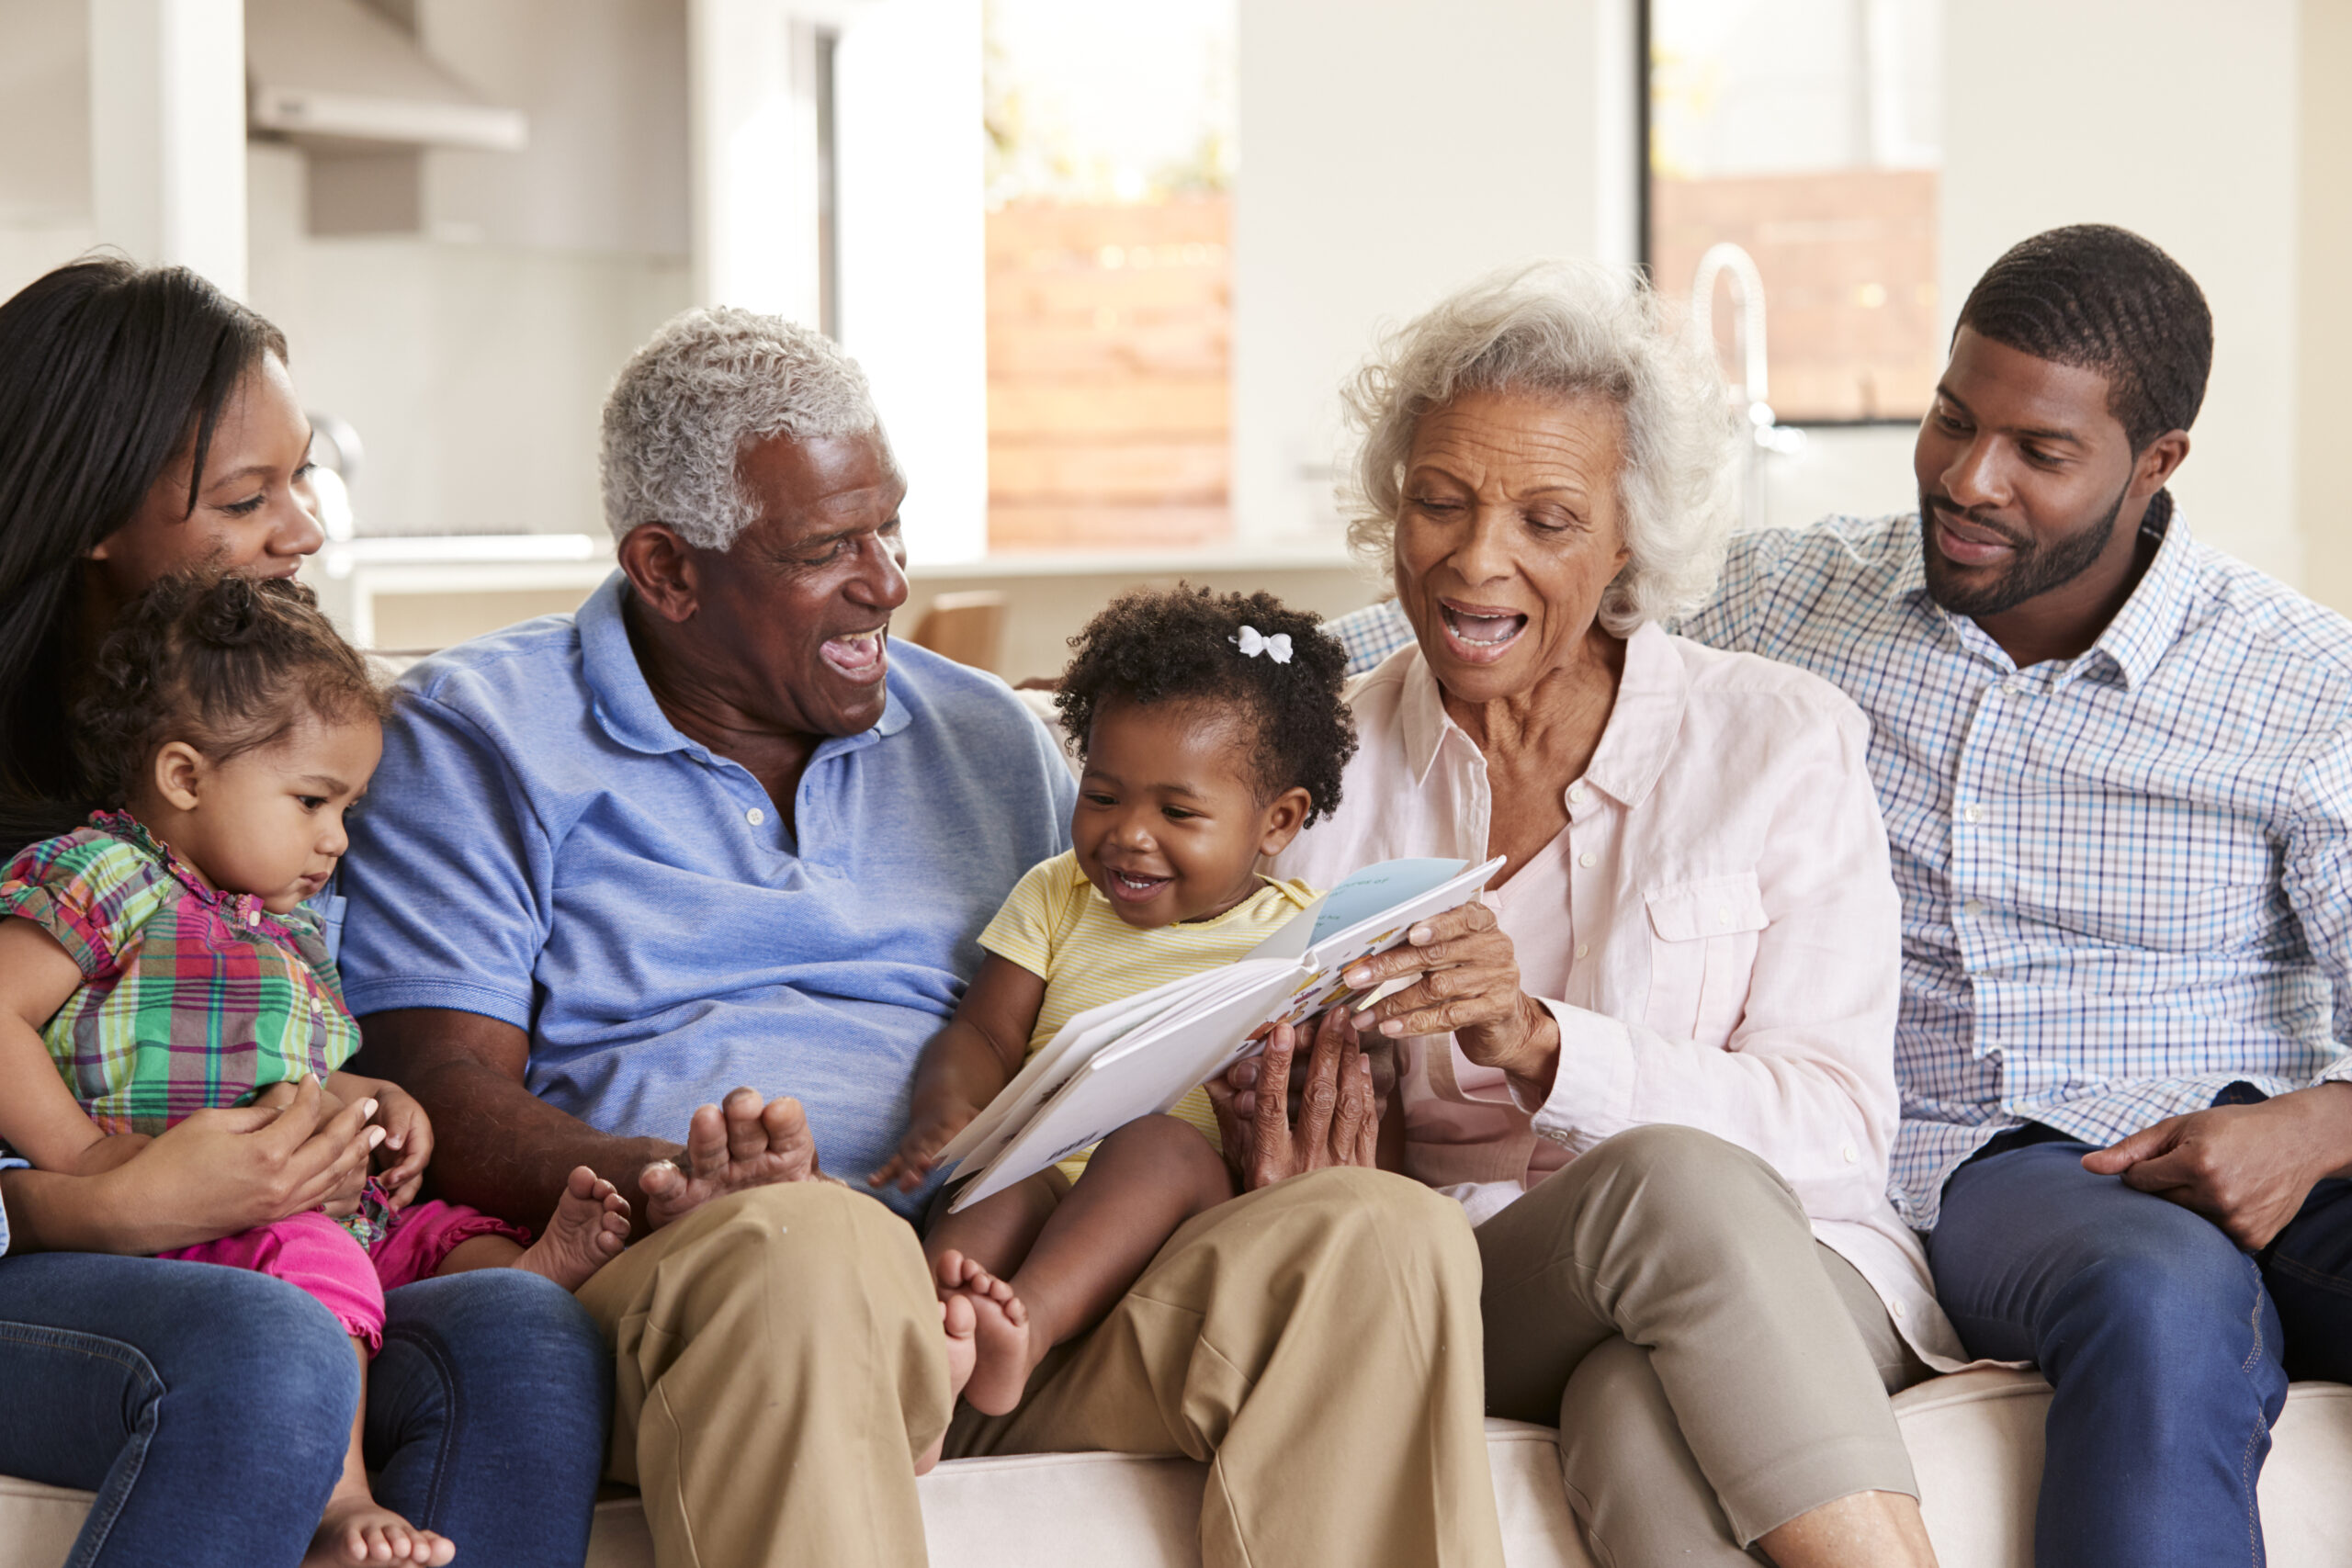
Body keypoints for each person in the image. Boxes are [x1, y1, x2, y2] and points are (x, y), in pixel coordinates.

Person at [334, 305, 1508, 1568]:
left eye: (888, 527)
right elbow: (438, 1083)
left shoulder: (986, 734)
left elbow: (1106, 989)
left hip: (986, 1301)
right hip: (715, 1286)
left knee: (1379, 1233)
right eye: (827, 548)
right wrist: (679, 1179)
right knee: (811, 1238)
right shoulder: (481, 731)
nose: (888, 581)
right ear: (668, 569)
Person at [1329, 225, 2352, 1568]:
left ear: (2156, 464)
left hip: (2121, 1146)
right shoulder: (1794, 600)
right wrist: (1187, 708)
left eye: (2039, 453)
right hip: (1952, 1184)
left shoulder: (2300, 686)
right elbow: (1454, 608)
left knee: (1633, 1403)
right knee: (2151, 1290)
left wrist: (2318, 1121)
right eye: (1951, 419)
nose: (1969, 480)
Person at [1271, 260, 1969, 1568]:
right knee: (1664, 1186)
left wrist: (1545, 1045)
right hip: (1483, 1278)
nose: (1477, 560)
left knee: (1633, 1400)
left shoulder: (1775, 740)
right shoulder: (1316, 772)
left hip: (1795, 1258)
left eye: (1546, 518)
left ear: (1628, 537)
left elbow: (1834, 1133)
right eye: (1439, 502)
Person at [0, 257, 611, 1568]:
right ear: (91, 516)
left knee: (523, 1335)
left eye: (301, 479)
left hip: (245, 1237)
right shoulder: (83, 861)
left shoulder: (290, 764)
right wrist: (107, 1197)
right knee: (268, 1344)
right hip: (58, 1264)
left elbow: (276, 1025)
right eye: (245, 498)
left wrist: (355, 1110)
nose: (303, 533)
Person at [874, 583, 1357, 1415]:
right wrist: (948, 1111)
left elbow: (1335, 1096)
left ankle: (1025, 1329)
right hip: (1045, 1178)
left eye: (1177, 810)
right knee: (992, 1184)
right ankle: (920, 1351)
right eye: (1101, 796)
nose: (1129, 833)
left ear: (1277, 822)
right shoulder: (1057, 893)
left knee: (1157, 1143)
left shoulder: (1303, 939)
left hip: (1182, 1219)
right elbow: (985, 1035)